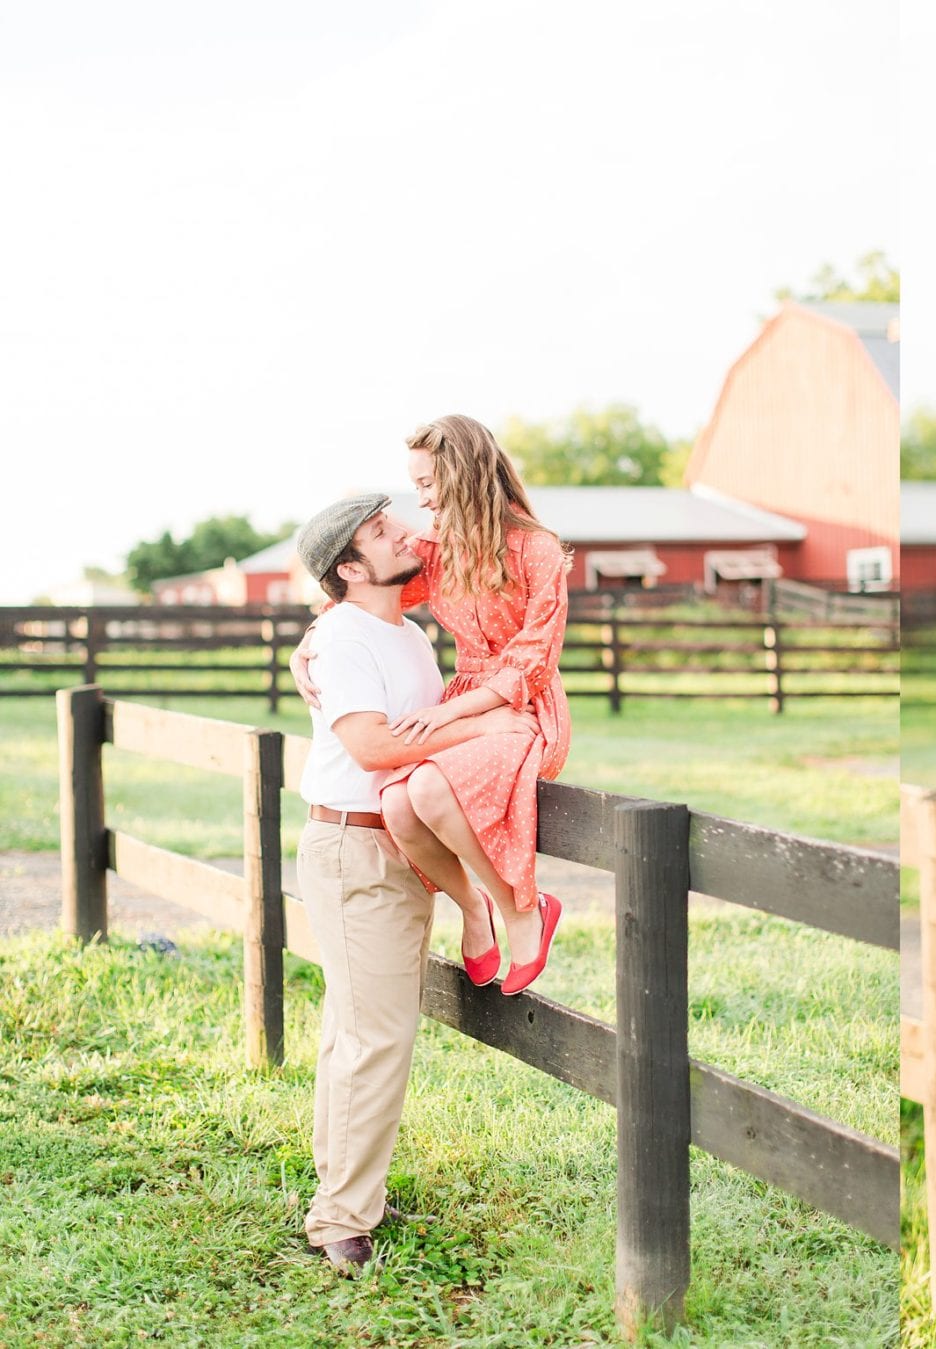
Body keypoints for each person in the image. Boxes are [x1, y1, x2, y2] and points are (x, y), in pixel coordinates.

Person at [294, 493, 536, 1272]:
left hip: (393, 849)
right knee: (374, 1036)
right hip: (352, 850)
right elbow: (369, 744)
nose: (405, 530)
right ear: (351, 567)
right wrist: (488, 724)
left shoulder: (401, 629)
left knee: (354, 1029)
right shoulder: (343, 636)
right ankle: (341, 1218)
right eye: (381, 531)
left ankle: (345, 1187)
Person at [294, 414, 574, 997]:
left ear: (464, 476)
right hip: (468, 703)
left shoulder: (537, 550)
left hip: (521, 706)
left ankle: (522, 909)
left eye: (426, 485)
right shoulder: (439, 552)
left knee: (420, 790)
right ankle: (474, 910)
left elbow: (534, 656)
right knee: (397, 803)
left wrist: (454, 713)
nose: (418, 502)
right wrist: (311, 641)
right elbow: (360, 589)